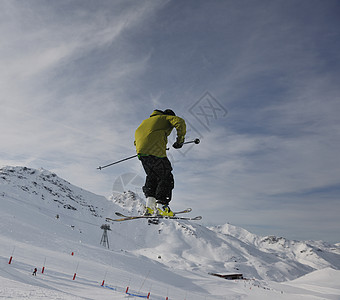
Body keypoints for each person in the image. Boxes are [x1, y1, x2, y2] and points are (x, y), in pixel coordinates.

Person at [134, 109, 186, 216]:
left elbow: (139, 137)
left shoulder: (146, 122)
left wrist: (146, 146)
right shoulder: (165, 118)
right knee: (166, 176)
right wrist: (179, 141)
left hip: (142, 152)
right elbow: (180, 122)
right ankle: (162, 205)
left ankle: (150, 207)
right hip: (154, 151)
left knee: (152, 176)